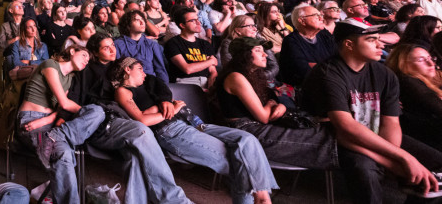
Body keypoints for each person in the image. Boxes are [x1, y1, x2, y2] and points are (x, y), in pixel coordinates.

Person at [300, 23, 442, 202]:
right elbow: (345, 128)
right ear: (349, 44)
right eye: (371, 40)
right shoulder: (328, 73)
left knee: (441, 164)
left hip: (373, 133)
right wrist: (402, 158)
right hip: (334, 138)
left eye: (379, 39)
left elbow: (391, 122)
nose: (381, 45)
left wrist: (394, 154)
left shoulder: (385, 74)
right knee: (365, 169)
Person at [109, 56, 278, 204]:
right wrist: (171, 110)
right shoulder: (122, 91)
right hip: (171, 130)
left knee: (248, 140)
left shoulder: (149, 84)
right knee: (240, 163)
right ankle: (262, 199)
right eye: (139, 69)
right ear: (127, 69)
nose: (144, 73)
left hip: (194, 122)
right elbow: (142, 119)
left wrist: (159, 108)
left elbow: (163, 102)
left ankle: (262, 195)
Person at [67, 34, 194, 204]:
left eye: (113, 44)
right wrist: (63, 120)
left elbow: (151, 81)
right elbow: (74, 100)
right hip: (103, 122)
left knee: (135, 156)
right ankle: (175, 200)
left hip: (123, 120)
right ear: (95, 53)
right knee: (141, 131)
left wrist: (164, 99)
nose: (113, 49)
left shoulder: (121, 65)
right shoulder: (86, 70)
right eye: (106, 47)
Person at [215, 37, 338, 169]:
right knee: (322, 138)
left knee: (323, 128)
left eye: (263, 51)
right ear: (244, 55)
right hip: (247, 132)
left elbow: (267, 110)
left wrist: (279, 105)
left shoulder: (253, 75)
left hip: (258, 126)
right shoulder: (236, 77)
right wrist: (271, 104)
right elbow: (263, 116)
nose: (265, 55)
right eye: (258, 51)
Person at [16, 45, 104, 204]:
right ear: (72, 51)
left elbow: (59, 110)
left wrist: (47, 120)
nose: (86, 61)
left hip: (49, 125)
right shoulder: (50, 65)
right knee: (64, 153)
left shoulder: (70, 79)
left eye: (88, 60)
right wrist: (84, 112)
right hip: (31, 120)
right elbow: (63, 103)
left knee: (98, 112)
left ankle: (57, 192)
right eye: (84, 55)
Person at [386, 44, 442, 154]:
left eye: (430, 58)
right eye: (421, 60)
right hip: (432, 142)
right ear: (403, 64)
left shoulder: (425, 80)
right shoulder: (408, 81)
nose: (431, 63)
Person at [278, 5, 336, 88]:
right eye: (317, 16)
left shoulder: (324, 34)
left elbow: (339, 58)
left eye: (321, 15)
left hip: (330, 82)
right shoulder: (291, 41)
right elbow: (304, 70)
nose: (322, 19)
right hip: (307, 88)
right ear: (302, 21)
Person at [164, 8, 217, 87]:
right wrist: (210, 61)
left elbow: (213, 71)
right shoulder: (173, 43)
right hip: (184, 83)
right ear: (182, 25)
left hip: (206, 82)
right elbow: (187, 69)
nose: (198, 23)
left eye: (197, 19)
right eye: (193, 20)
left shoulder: (204, 43)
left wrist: (210, 87)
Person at [217, 14, 279, 82]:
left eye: (254, 26)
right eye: (250, 26)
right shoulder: (228, 43)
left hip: (265, 80)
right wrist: (250, 79)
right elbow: (229, 67)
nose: (255, 29)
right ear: (238, 30)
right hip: (240, 82)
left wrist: (259, 77)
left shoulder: (261, 41)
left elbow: (274, 67)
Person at [114, 9, 169, 83]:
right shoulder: (118, 44)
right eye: (137, 20)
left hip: (150, 85)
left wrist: (164, 89)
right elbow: (115, 70)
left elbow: (160, 70)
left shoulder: (152, 44)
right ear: (128, 25)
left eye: (142, 19)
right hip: (127, 84)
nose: (142, 22)